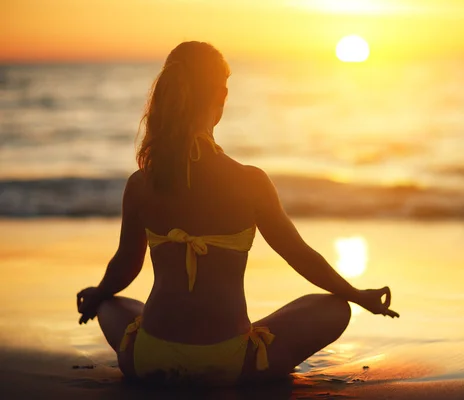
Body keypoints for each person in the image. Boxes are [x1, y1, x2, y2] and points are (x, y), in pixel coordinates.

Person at [76, 41, 399, 386]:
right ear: (222, 95)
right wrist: (357, 295)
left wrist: (97, 294)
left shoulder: (141, 183)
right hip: (230, 363)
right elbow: (301, 256)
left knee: (111, 304)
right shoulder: (250, 182)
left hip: (149, 359)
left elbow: (126, 265)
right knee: (335, 308)